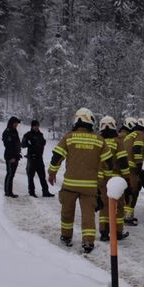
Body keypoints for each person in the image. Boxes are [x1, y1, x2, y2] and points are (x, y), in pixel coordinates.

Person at [47, 108, 114, 253]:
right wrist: (107, 179)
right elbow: (108, 163)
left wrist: (52, 173)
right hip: (89, 187)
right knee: (88, 215)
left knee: (67, 212)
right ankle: (88, 241)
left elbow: (57, 157)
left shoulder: (68, 137)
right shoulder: (99, 140)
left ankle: (66, 236)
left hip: (70, 185)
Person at [97, 115, 130, 242]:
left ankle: (104, 232)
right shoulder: (117, 142)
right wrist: (127, 178)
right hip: (116, 179)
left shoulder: (98, 141)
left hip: (102, 178)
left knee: (104, 205)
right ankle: (117, 232)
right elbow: (123, 161)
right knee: (119, 206)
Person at [122, 117, 144, 226]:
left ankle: (124, 214)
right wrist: (138, 167)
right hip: (132, 168)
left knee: (127, 191)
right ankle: (128, 216)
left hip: (124, 167)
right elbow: (137, 149)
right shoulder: (140, 134)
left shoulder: (130, 135)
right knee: (133, 191)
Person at [20, 119, 54, 198]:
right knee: (30, 176)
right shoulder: (28, 135)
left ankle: (45, 191)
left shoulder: (40, 134)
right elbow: (23, 145)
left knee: (42, 176)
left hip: (39, 158)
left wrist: (43, 142)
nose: (37, 127)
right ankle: (31, 192)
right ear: (32, 126)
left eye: (38, 126)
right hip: (31, 158)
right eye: (35, 126)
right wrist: (28, 143)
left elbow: (43, 143)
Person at [2, 116, 22, 198]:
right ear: (11, 123)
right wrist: (12, 157)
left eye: (17, 123)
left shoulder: (14, 131)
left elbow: (16, 144)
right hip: (10, 156)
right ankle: (8, 192)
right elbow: (8, 146)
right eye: (15, 123)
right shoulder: (7, 132)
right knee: (10, 174)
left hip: (15, 156)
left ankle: (9, 191)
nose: (16, 125)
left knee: (12, 174)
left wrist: (18, 153)